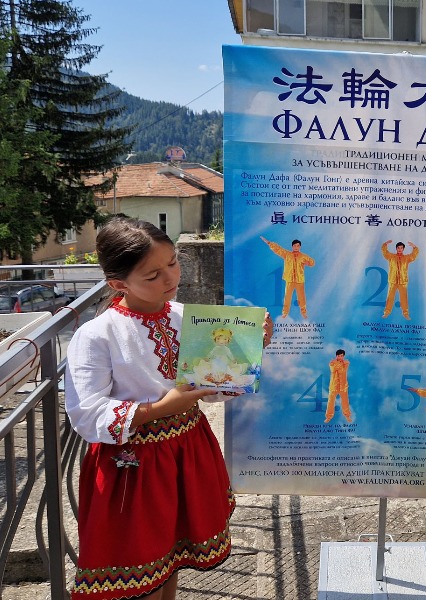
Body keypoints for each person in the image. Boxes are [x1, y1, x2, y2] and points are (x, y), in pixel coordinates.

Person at [65, 217, 273, 600]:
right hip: (134, 468)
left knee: (172, 560)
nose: (169, 278)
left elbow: (208, 386)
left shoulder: (184, 317)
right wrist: (162, 407)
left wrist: (250, 353)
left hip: (186, 451)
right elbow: (87, 413)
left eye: (173, 263)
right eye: (152, 274)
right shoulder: (97, 335)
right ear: (117, 284)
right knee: (140, 572)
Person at [261, 236, 315, 320]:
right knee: (287, 297)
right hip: (289, 280)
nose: (296, 247)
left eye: (298, 246)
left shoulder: (303, 256)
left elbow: (312, 262)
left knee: (301, 297)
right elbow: (278, 250)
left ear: (300, 247)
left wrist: (308, 263)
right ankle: (285, 313)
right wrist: (269, 243)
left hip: (299, 280)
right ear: (292, 246)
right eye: (294, 246)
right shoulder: (287, 254)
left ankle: (303, 312)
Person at [381, 240, 419, 320]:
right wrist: (385, 244)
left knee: (404, 298)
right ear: (396, 248)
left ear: (403, 249)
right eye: (398, 248)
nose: (400, 249)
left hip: (403, 281)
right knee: (390, 297)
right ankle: (386, 312)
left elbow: (413, 256)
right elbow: (385, 253)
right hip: (393, 281)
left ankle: (406, 314)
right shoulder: (391, 257)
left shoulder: (406, 258)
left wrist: (414, 247)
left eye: (401, 248)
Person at [324, 349, 352, 423]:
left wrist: (338, 366)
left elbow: (343, 370)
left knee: (345, 402)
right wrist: (339, 366)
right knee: (330, 402)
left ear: (343, 356)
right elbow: (333, 370)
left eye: (342, 356)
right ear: (336, 356)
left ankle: (347, 416)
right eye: (339, 356)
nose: (340, 357)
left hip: (343, 386)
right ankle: (328, 417)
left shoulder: (346, 363)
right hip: (333, 386)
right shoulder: (332, 363)